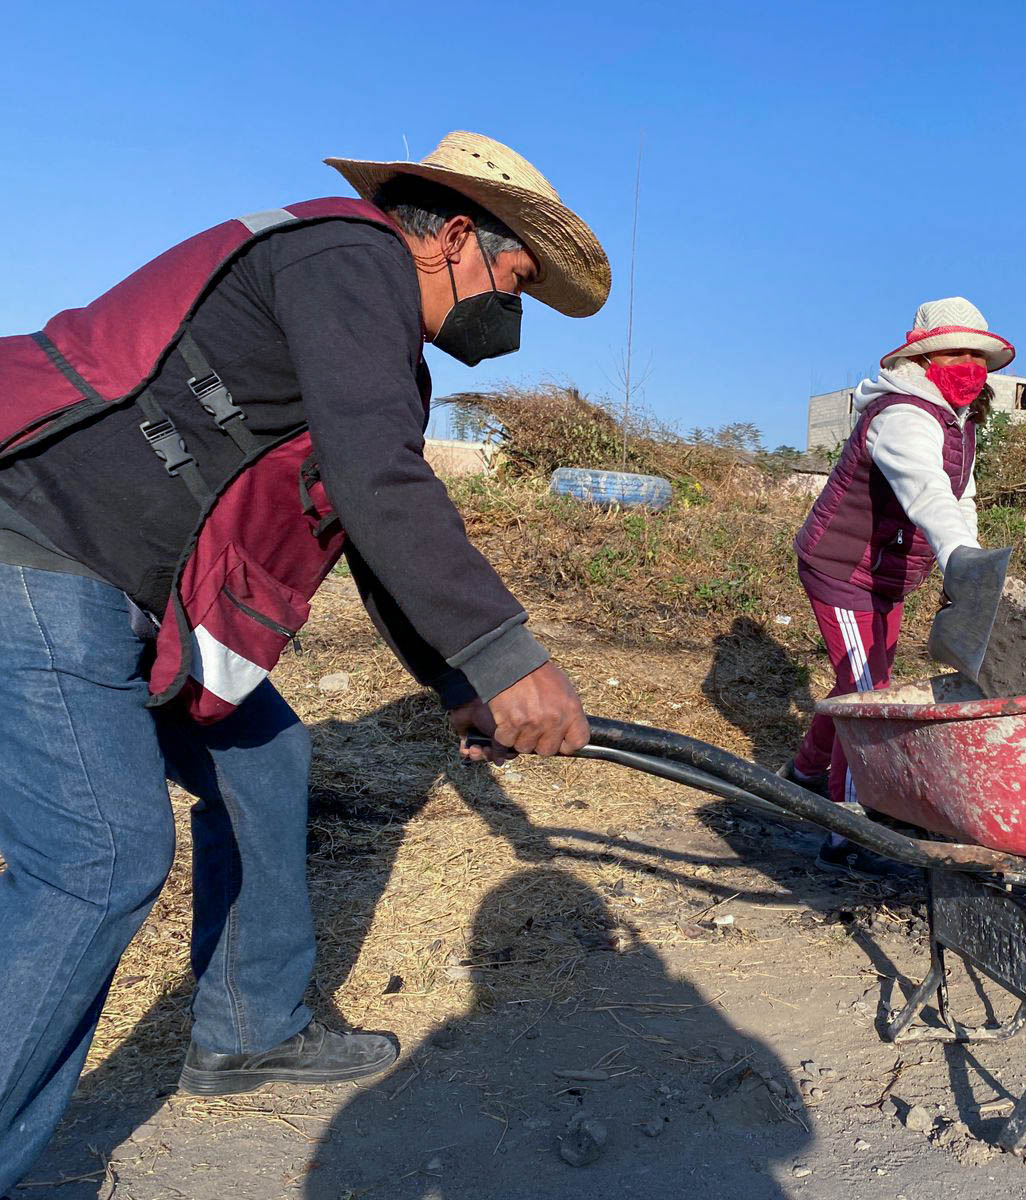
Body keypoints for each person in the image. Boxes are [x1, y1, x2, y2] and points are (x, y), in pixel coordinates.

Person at [0, 131, 605, 1192]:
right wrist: (512, 657)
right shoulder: (347, 258)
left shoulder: (376, 348)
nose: (511, 314)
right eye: (513, 282)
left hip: (130, 599)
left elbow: (367, 525)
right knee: (98, 860)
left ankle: (248, 1028)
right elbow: (379, 481)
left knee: (267, 756)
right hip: (40, 555)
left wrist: (463, 683)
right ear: (455, 235)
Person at [784, 298, 1013, 872]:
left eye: (979, 357)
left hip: (888, 570)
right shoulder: (903, 416)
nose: (970, 366)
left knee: (860, 679)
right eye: (957, 353)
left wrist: (969, 561)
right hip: (842, 567)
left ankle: (808, 770)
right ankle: (847, 829)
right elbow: (927, 492)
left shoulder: (959, 422)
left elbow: (961, 496)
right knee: (867, 693)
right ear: (926, 357)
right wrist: (955, 553)